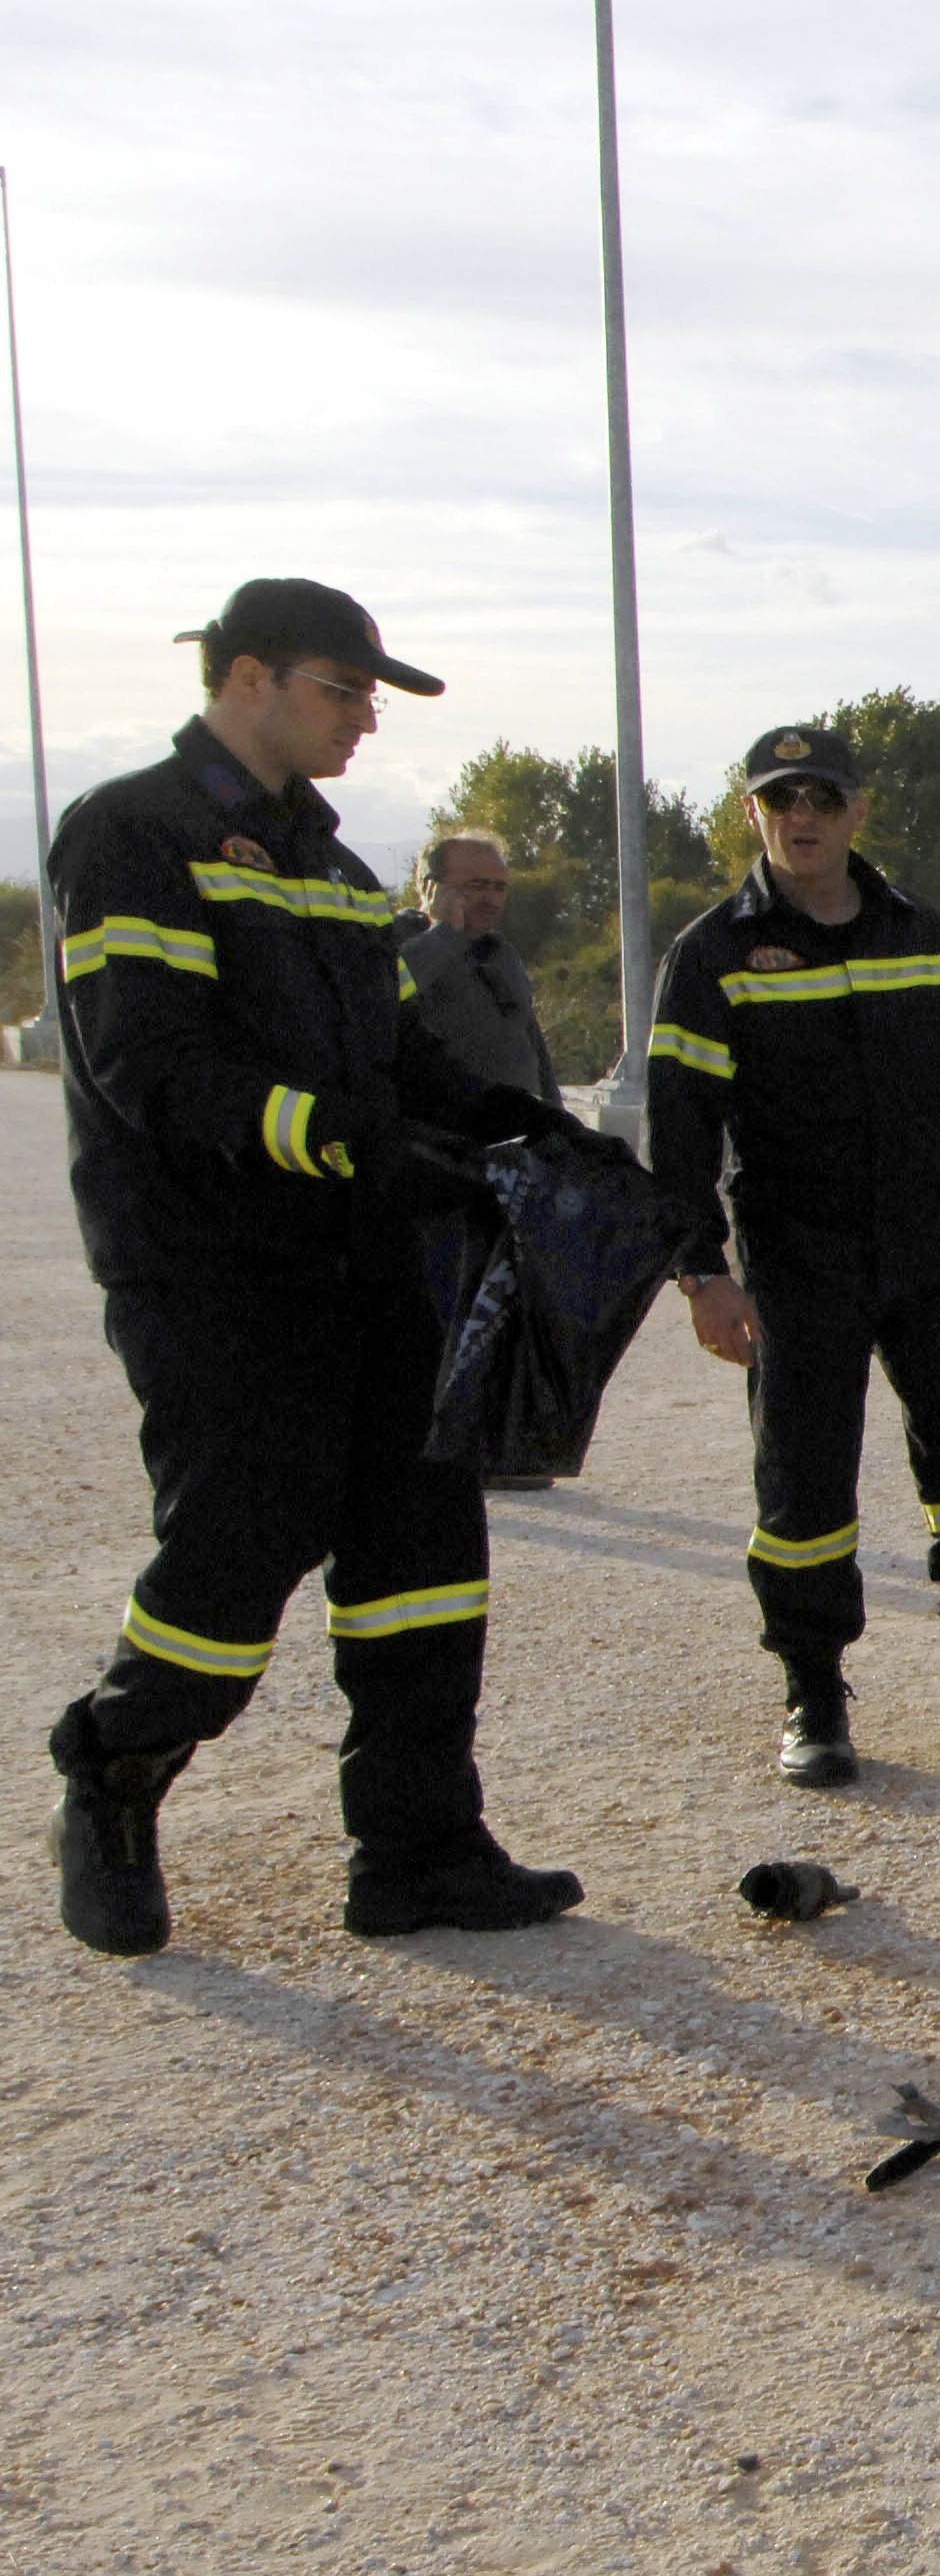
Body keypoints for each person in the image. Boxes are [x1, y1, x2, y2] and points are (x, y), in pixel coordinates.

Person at [38, 579, 596, 1955]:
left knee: (422, 1552)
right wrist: (349, 1140)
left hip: (370, 1260)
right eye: (343, 691)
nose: (363, 722)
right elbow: (149, 1065)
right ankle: (112, 1770)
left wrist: (514, 1122)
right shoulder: (133, 836)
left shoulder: (340, 875)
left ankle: (417, 1849)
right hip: (216, 1266)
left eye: (369, 698)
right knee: (242, 1542)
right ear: (246, 678)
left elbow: (409, 1063)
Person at [647, 724, 940, 1788]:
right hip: (801, 1256)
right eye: (780, 799)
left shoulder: (922, 933)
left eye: (823, 799)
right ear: (753, 811)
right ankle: (813, 1697)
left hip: (937, 1246)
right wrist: (701, 1270)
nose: (803, 818)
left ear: (856, 811)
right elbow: (679, 1124)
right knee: (804, 1482)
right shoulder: (712, 953)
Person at [391, 831, 556, 1099]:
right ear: (429, 886)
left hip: (518, 1126)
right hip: (441, 1130)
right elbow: (382, 993)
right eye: (477, 886)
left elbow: (531, 1044)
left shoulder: (500, 953)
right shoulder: (396, 943)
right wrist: (444, 933)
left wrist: (557, 1121)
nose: (490, 899)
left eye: (499, 888)